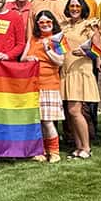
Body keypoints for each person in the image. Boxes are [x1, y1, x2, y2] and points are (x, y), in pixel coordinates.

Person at [23, 10, 66, 162]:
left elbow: (61, 61)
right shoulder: (33, 39)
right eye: (41, 22)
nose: (45, 25)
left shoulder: (58, 39)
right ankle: (40, 150)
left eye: (48, 22)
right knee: (37, 120)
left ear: (53, 23)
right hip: (33, 85)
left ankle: (54, 152)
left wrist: (48, 50)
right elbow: (22, 58)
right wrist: (28, 58)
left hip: (50, 84)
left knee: (47, 121)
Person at [60, 0, 99, 158]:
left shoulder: (89, 25)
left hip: (81, 71)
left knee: (76, 110)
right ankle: (78, 147)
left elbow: (98, 49)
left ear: (83, 8)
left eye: (77, 6)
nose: (74, 9)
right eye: (72, 6)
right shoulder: (64, 26)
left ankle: (87, 148)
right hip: (66, 71)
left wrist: (86, 52)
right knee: (70, 112)